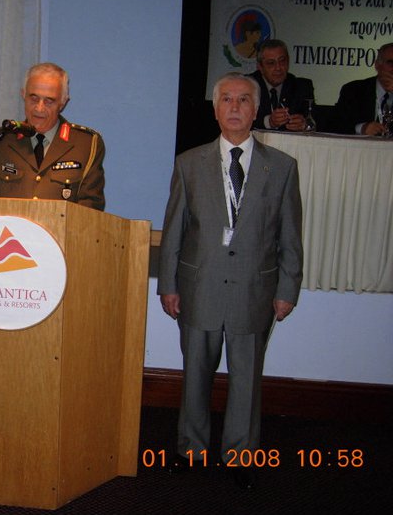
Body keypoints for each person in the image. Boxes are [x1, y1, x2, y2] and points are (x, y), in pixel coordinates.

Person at [157, 72, 303, 489]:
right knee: (195, 373)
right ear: (215, 109)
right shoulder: (189, 164)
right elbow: (175, 229)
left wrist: (287, 290)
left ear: (256, 110)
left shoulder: (283, 167)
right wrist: (168, 284)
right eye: (226, 99)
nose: (235, 107)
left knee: (246, 379)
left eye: (243, 100)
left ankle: (240, 455)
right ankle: (191, 448)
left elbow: (291, 236)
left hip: (256, 291)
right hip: (198, 288)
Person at [0, 62, 105, 211]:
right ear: (23, 94)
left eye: (49, 101)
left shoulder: (85, 144)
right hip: (7, 227)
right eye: (34, 98)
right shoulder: (0, 140)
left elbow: (90, 208)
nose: (39, 108)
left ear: (63, 102)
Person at [248, 39, 315, 131]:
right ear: (260, 67)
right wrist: (268, 122)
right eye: (271, 63)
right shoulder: (247, 85)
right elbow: (239, 121)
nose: (278, 68)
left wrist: (305, 125)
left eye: (282, 61)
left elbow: (317, 122)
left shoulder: (302, 87)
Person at [332, 42, 393, 135]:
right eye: (391, 63)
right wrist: (361, 128)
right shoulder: (354, 90)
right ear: (377, 65)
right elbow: (335, 125)